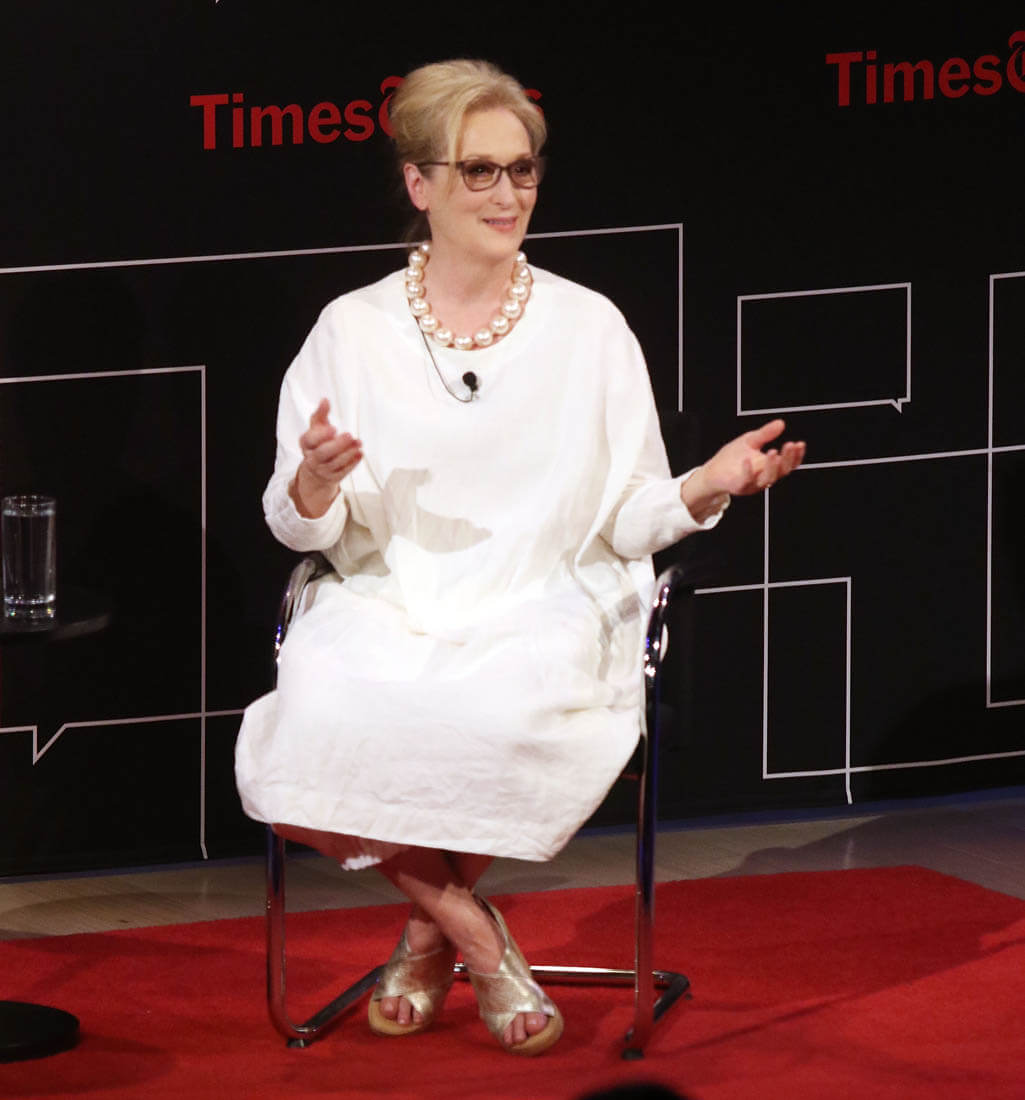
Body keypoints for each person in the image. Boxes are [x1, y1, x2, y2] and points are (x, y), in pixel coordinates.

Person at [235, 58, 804, 1057]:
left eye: (522, 170)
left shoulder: (588, 326)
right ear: (419, 184)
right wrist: (316, 482)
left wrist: (704, 485)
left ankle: (424, 942)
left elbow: (627, 515)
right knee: (319, 709)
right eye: (479, 171)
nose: (507, 195)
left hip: (546, 595)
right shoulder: (351, 330)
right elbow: (297, 524)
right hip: (389, 596)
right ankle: (475, 935)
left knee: (501, 711)